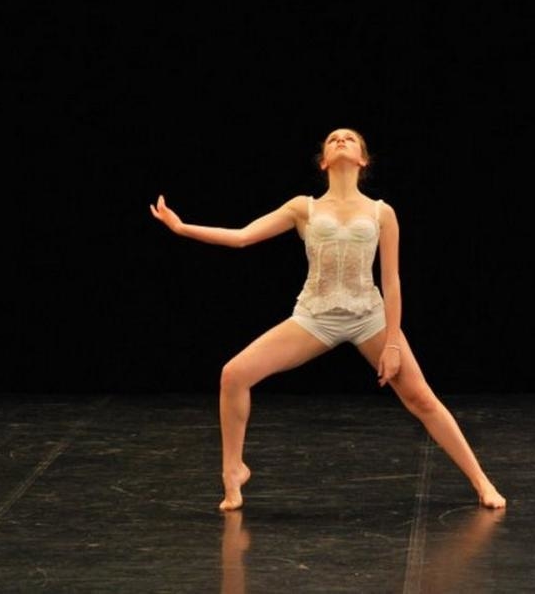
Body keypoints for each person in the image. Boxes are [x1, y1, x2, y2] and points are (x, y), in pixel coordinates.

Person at [149, 128, 506, 512]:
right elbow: (242, 236)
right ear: (323, 162)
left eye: (349, 139)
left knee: (421, 398)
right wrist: (182, 228)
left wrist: (392, 342)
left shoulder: (381, 213)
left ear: (362, 159)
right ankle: (233, 471)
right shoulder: (304, 208)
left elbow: (392, 281)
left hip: (368, 315)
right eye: (333, 139)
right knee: (233, 374)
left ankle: (481, 481)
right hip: (315, 316)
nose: (340, 140)